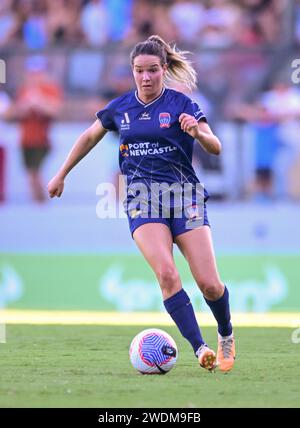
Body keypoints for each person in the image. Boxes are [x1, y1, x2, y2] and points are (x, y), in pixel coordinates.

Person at [47, 35, 235, 372]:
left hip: (184, 198)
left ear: (164, 69)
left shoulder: (182, 104)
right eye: (139, 71)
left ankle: (225, 333)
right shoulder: (120, 108)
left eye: (152, 70)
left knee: (209, 283)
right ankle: (200, 348)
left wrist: (198, 133)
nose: (145, 77)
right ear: (132, 71)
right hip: (142, 200)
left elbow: (215, 146)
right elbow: (89, 136)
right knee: (166, 274)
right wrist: (62, 173)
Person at [7, 56, 62, 202]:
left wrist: (38, 102)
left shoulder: (50, 89)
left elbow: (54, 111)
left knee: (35, 175)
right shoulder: (24, 90)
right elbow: (13, 113)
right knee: (30, 176)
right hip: (26, 140)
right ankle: (38, 205)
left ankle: (42, 205)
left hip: (41, 140)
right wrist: (24, 106)